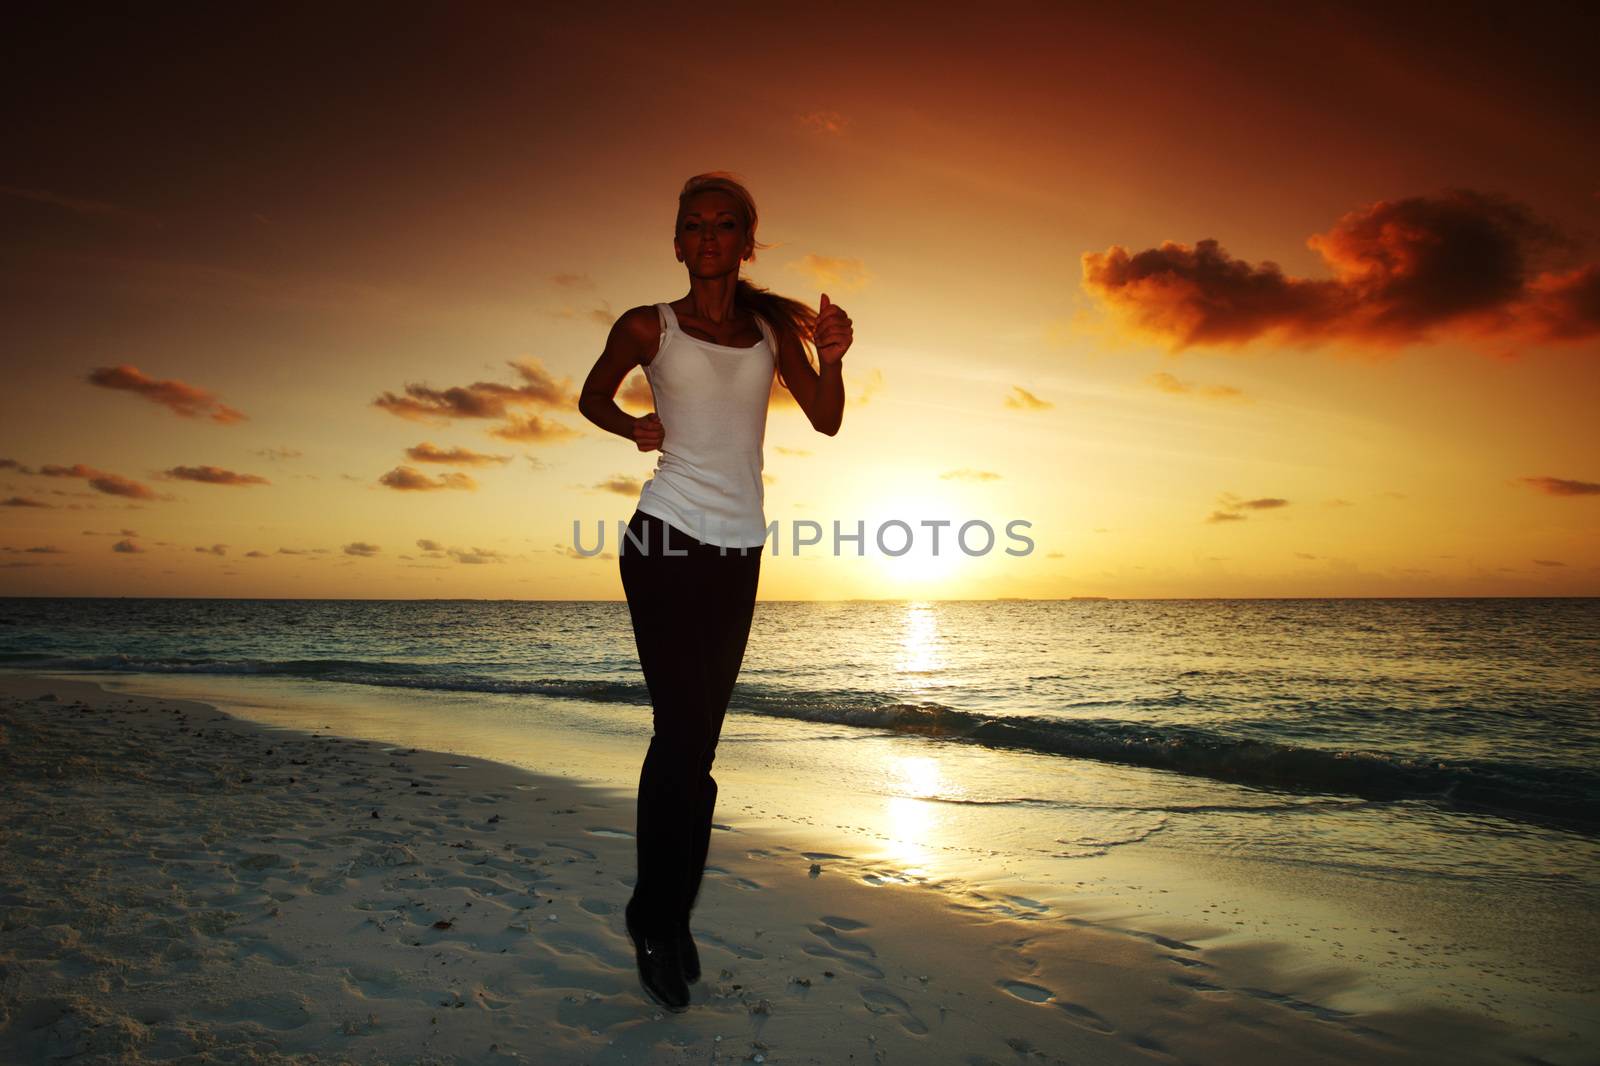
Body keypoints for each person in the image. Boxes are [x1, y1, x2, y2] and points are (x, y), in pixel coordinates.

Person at [577, 172, 852, 1011]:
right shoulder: (647, 326)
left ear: (744, 243)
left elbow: (828, 418)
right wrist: (632, 426)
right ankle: (655, 920)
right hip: (661, 538)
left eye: (722, 225)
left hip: (739, 552)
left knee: (699, 750)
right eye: (693, 225)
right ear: (676, 242)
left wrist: (832, 360)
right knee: (682, 732)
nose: (706, 237)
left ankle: (668, 910)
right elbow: (589, 395)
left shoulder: (771, 331)